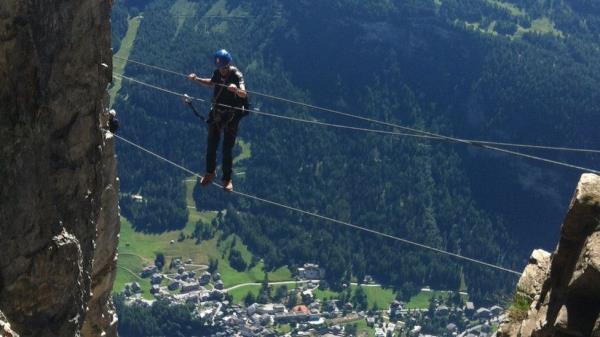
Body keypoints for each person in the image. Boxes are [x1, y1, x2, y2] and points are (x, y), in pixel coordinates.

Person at [187, 49, 248, 192]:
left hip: (231, 116)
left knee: (227, 149)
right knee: (211, 145)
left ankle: (227, 179)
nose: (223, 70)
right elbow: (211, 82)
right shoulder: (217, 73)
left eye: (225, 67)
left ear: (229, 64)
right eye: (220, 68)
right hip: (217, 113)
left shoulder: (237, 75)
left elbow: (244, 93)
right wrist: (197, 79)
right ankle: (210, 173)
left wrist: (236, 90)